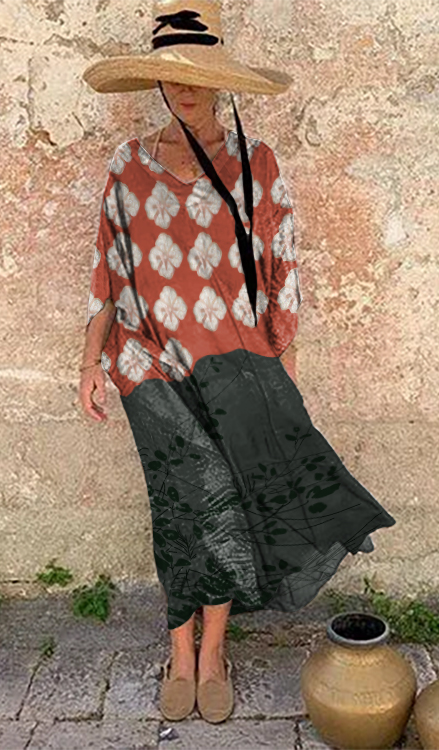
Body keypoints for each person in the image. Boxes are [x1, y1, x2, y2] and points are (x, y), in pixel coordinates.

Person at [79, 0, 396, 726]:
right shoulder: (127, 166)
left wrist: (280, 365)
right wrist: (90, 362)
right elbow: (106, 272)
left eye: (197, 75)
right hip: (147, 361)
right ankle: (178, 649)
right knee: (179, 500)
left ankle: (213, 650)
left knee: (221, 501)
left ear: (221, 80)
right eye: (171, 75)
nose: (183, 89)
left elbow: (282, 271)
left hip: (232, 361)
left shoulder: (257, 164)